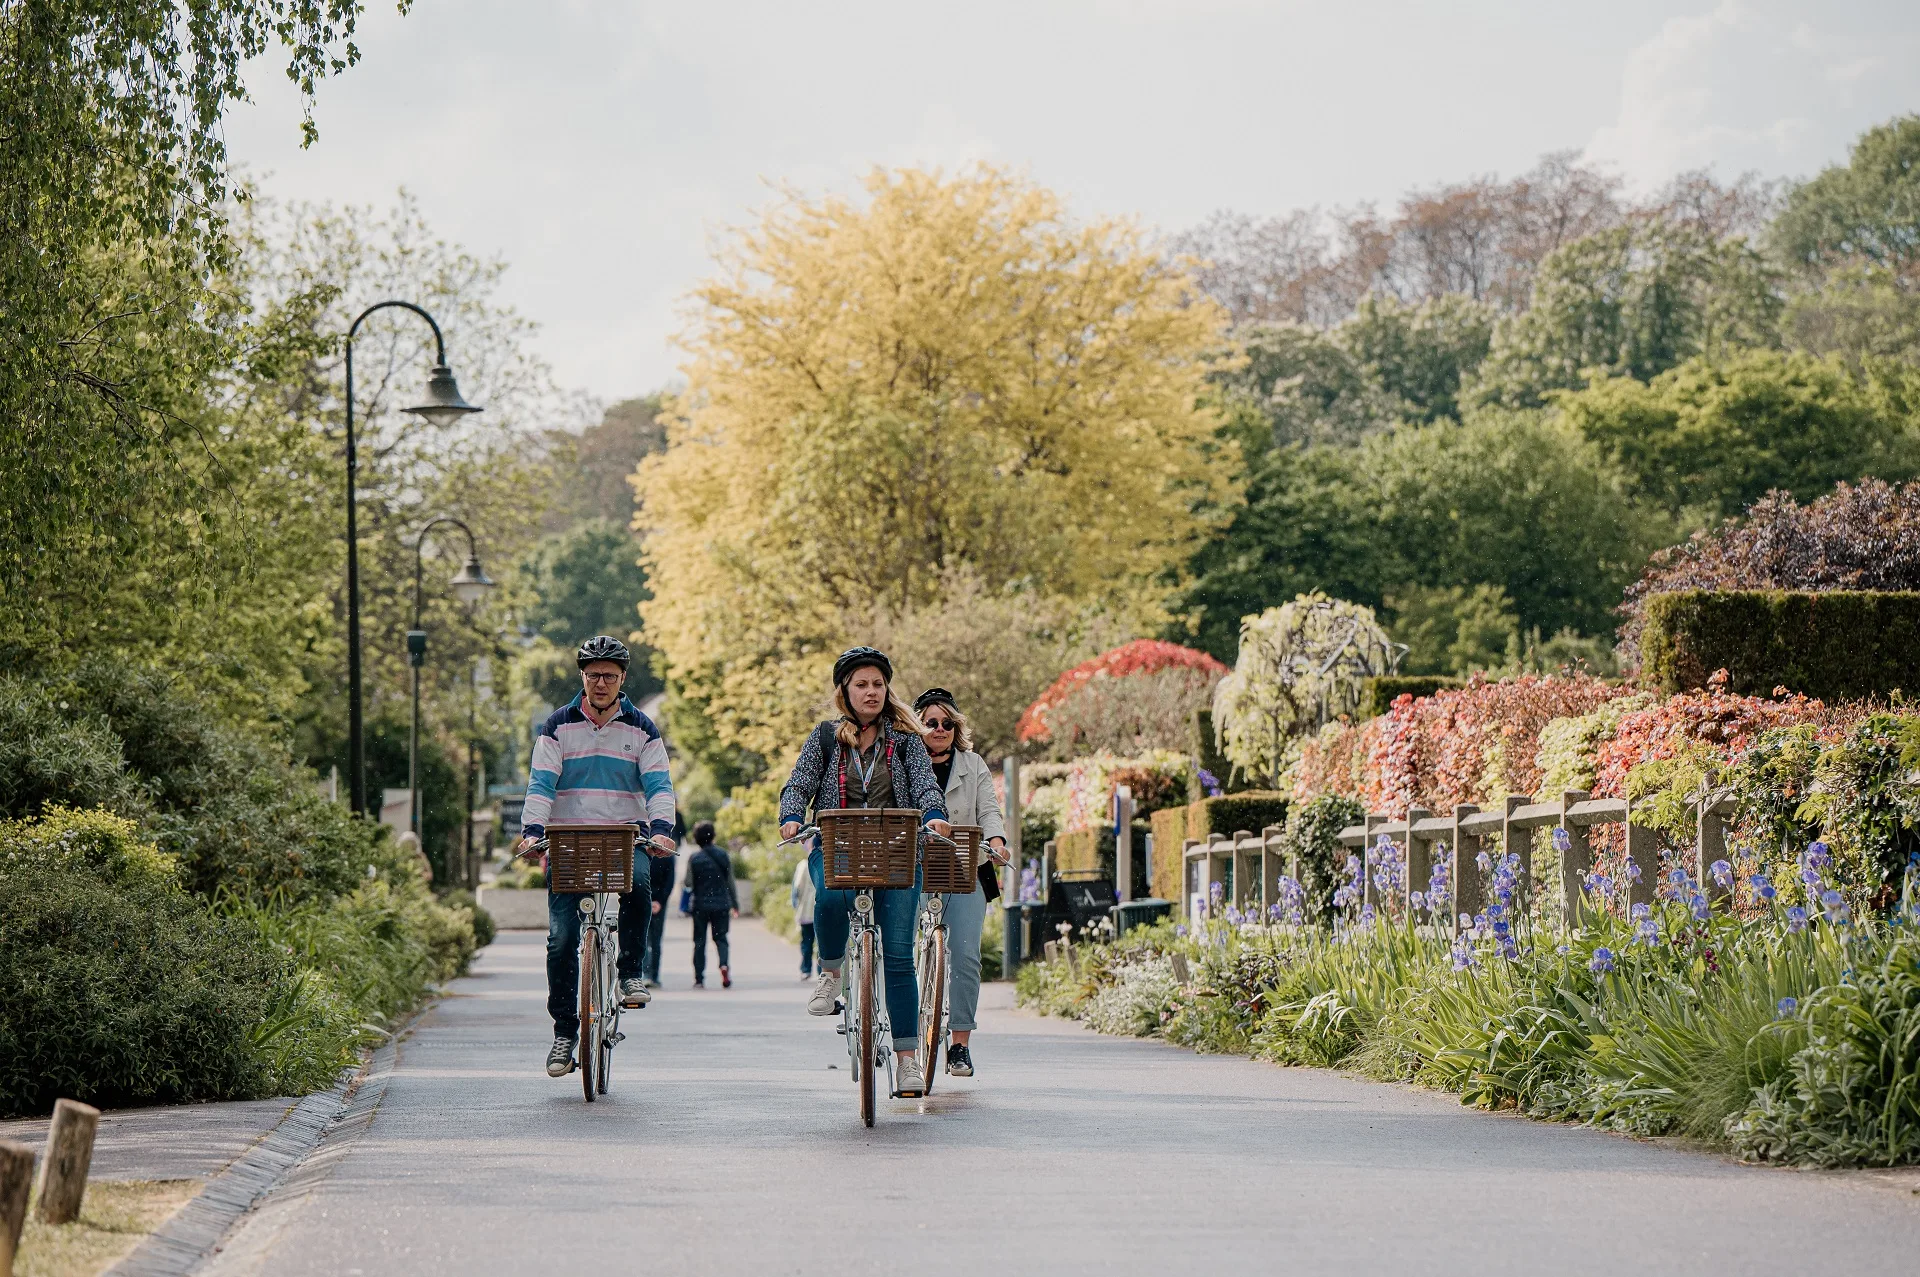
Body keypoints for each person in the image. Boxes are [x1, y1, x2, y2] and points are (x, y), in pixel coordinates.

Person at [779, 646, 949, 1097]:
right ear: (845, 692)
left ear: (886, 689)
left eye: (878, 684)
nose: (871, 692)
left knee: (897, 955)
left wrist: (933, 814)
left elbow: (926, 785)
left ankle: (908, 1060)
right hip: (838, 846)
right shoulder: (825, 738)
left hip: (896, 850)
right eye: (862, 685)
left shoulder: (907, 741)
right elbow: (799, 783)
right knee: (830, 898)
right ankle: (831, 972)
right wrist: (792, 814)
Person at [515, 635, 677, 1079]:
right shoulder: (556, 726)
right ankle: (565, 1032)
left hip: (627, 836)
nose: (600, 682)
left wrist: (661, 830)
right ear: (582, 678)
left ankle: (630, 973)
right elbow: (541, 785)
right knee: (562, 939)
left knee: (640, 884)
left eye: (608, 675)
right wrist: (532, 832)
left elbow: (659, 786)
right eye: (592, 675)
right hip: (569, 839)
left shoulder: (643, 728)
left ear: (623, 678)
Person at [913, 687, 1009, 1078]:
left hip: (966, 866)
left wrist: (997, 839)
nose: (939, 729)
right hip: (914, 868)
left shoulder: (973, 764)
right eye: (931, 722)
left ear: (957, 728)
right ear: (917, 724)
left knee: (966, 955)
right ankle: (909, 1034)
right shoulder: (904, 761)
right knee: (902, 951)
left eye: (947, 724)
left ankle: (959, 1045)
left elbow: (988, 807)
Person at [686, 821, 737, 988]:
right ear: (713, 836)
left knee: (699, 942)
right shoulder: (723, 855)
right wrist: (735, 904)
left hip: (700, 905)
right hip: (721, 904)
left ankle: (699, 979)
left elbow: (688, 883)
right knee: (721, 938)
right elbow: (730, 882)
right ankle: (723, 965)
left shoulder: (694, 858)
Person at [641, 810, 684, 987]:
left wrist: (651, 900)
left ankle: (645, 974)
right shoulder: (667, 854)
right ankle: (654, 975)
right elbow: (670, 881)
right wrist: (660, 900)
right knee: (655, 940)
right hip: (658, 901)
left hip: (645, 899)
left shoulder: (642, 851)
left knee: (643, 937)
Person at [790, 845, 817, 979]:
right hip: (820, 910)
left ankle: (806, 969)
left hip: (806, 911)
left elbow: (797, 888)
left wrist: (795, 904)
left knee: (806, 942)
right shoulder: (823, 864)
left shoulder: (803, 865)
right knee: (821, 943)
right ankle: (822, 971)